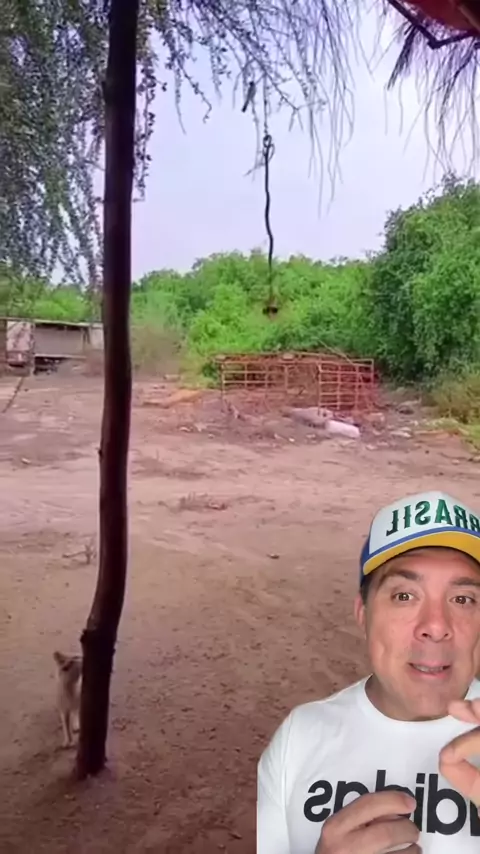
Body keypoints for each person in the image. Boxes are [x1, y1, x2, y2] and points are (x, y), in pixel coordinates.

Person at [257, 489, 480, 854]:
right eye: (404, 596)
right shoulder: (300, 737)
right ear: (363, 614)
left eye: (463, 599)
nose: (436, 626)